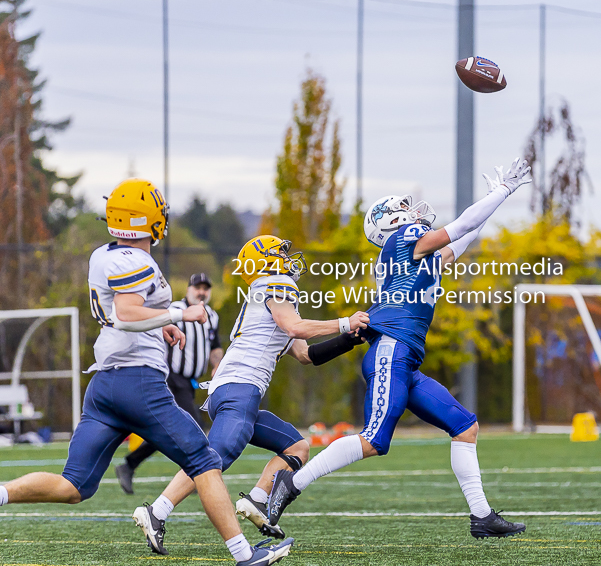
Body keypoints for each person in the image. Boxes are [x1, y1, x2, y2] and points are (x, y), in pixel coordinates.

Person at [0, 179, 292, 566]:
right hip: (137, 382)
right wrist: (178, 314)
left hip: (104, 383)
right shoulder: (135, 260)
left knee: (74, 485)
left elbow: (128, 313)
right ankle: (244, 554)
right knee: (204, 461)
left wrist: (161, 325)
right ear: (146, 218)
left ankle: (1, 493)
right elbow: (126, 312)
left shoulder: (104, 254)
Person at [266, 159, 532, 539]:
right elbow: (462, 225)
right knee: (374, 440)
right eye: (404, 210)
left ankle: (481, 516)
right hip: (392, 350)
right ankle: (291, 484)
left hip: (405, 359)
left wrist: (494, 202)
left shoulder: (412, 256)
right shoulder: (401, 242)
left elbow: (462, 238)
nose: (413, 213)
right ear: (390, 222)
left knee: (464, 426)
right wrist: (500, 192)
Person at [131, 234, 369, 555]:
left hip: (234, 393)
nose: (287, 259)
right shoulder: (275, 286)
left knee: (296, 446)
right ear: (266, 261)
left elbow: (305, 354)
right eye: (280, 254)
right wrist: (344, 322)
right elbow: (295, 327)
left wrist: (349, 339)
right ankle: (157, 511)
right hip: (239, 390)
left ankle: (257, 500)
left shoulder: (268, 294)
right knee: (210, 462)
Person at [116, 272, 223, 495]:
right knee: (193, 427)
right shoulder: (175, 309)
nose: (201, 292)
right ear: (188, 289)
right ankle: (197, 474)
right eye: (197, 287)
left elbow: (215, 345)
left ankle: (129, 464)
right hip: (171, 378)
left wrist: (217, 365)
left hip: (190, 382)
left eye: (206, 288)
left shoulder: (212, 316)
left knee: (165, 430)